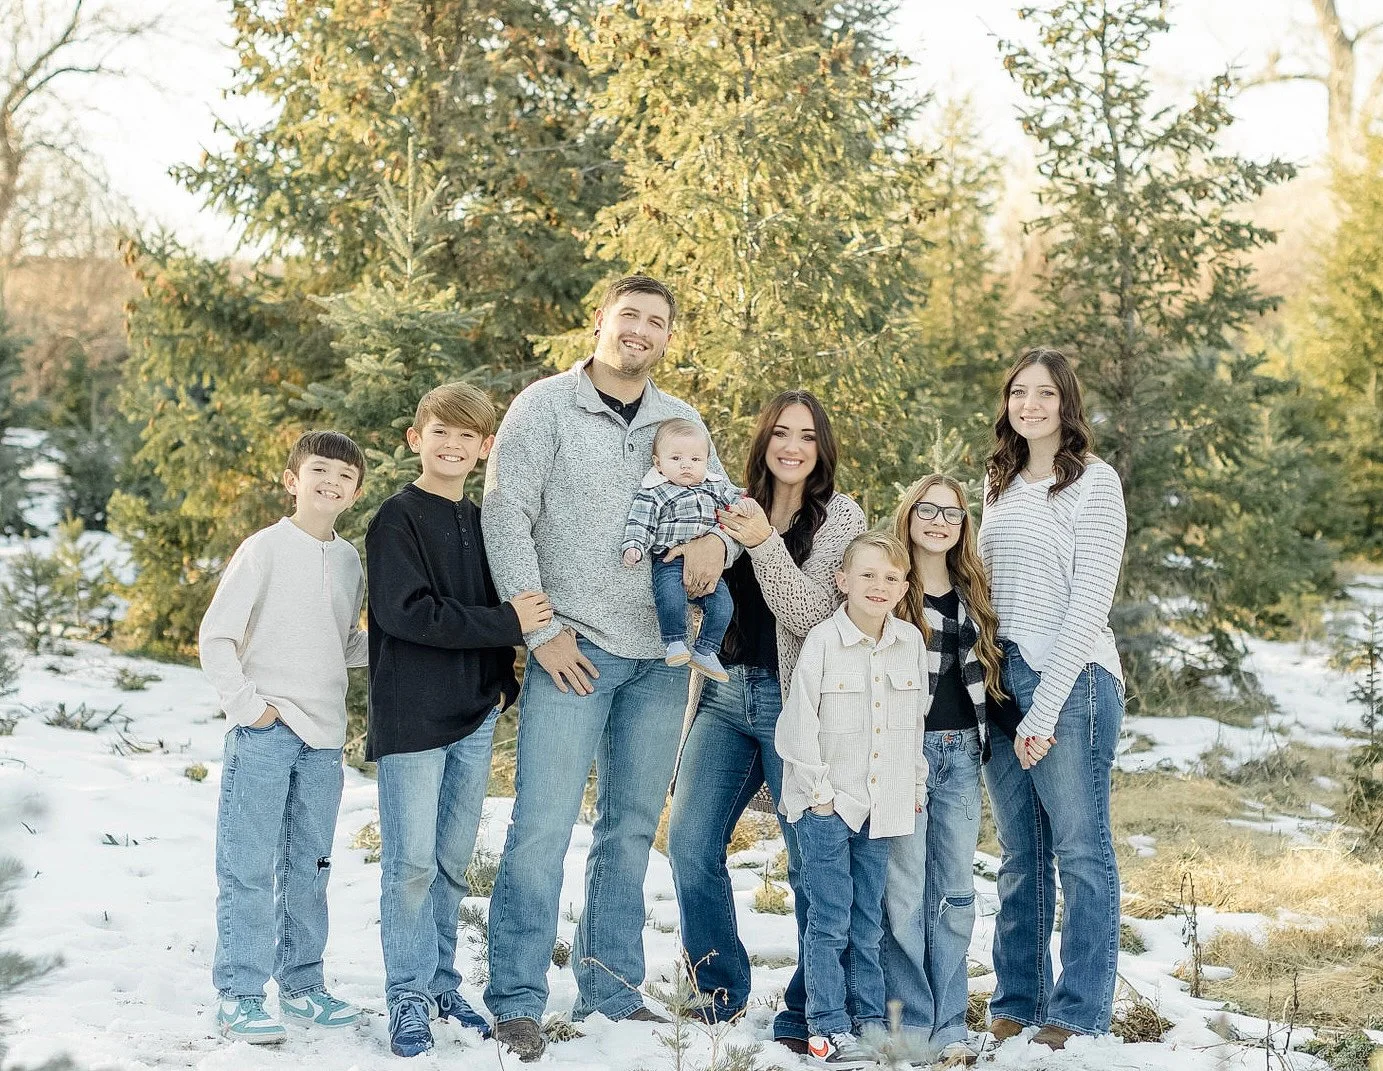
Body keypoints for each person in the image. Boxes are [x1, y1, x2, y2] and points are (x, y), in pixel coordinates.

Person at [481, 276, 737, 1061]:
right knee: (542, 826)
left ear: (666, 338)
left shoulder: (679, 419)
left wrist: (713, 547)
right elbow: (505, 510)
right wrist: (541, 626)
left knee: (627, 830)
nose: (641, 330)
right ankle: (518, 998)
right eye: (629, 316)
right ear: (600, 322)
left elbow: (725, 516)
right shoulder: (545, 406)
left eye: (656, 322)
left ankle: (611, 989)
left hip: (660, 656)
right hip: (573, 649)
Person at [667, 390, 866, 1054]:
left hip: (795, 709)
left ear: (820, 447)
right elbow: (704, 602)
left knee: (812, 864)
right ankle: (716, 990)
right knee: (690, 845)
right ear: (762, 441)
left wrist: (765, 547)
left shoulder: (840, 517)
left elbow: (818, 618)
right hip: (723, 698)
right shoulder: (726, 506)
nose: (791, 445)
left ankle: (810, 1004)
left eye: (806, 435)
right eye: (780, 433)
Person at [365, 383, 553, 1057]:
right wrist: (507, 624)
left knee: (448, 862)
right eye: (439, 431)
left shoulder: (480, 521)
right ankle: (406, 996)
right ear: (416, 438)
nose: (452, 444)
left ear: (485, 447)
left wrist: (501, 680)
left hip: (472, 716)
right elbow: (405, 613)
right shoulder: (397, 517)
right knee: (410, 862)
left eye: (467, 436)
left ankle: (442, 982)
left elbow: (489, 600)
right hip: (413, 717)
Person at [977, 347, 1127, 1050]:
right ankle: (1018, 997)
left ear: (1067, 405)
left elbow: (1088, 604)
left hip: (1071, 680)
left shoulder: (1094, 484)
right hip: (1002, 677)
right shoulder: (998, 478)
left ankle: (1077, 1010)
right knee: (1018, 852)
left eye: (1043, 393)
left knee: (1079, 847)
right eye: (1017, 393)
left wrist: (1043, 709)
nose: (1028, 404)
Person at [199, 430, 370, 1045]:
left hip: (324, 737)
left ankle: (303, 986)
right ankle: (241, 994)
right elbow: (217, 636)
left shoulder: (349, 560)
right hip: (267, 732)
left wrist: (401, 639)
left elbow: (341, 641)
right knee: (248, 865)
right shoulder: (264, 549)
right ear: (292, 479)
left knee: (310, 867)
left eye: (344, 476)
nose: (331, 482)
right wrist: (249, 708)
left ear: (355, 491)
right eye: (318, 470)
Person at [775, 531, 929, 1067]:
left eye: (890, 577)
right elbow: (799, 724)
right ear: (842, 581)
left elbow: (912, 724)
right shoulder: (822, 641)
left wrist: (912, 787)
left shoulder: (910, 641)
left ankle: (866, 1019)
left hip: (881, 804)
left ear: (905, 586)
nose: (878, 585)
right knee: (829, 918)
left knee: (869, 919)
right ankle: (825, 1023)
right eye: (866, 575)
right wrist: (819, 794)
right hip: (826, 805)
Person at [882, 474, 1007, 1068]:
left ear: (963, 526)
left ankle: (952, 1022)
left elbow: (989, 679)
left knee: (955, 892)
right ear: (908, 517)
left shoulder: (972, 592)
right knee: (903, 891)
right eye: (926, 511)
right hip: (904, 755)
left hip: (960, 755)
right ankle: (911, 1017)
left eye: (952, 514)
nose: (938, 521)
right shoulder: (890, 590)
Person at [622, 417, 745, 681]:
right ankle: (675, 642)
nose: (686, 465)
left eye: (695, 460)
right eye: (676, 459)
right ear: (658, 463)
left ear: (706, 462)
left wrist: (745, 504)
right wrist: (634, 546)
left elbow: (736, 499)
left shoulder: (714, 486)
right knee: (670, 597)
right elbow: (639, 521)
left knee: (724, 605)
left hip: (706, 563)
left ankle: (705, 650)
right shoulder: (655, 492)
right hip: (668, 559)